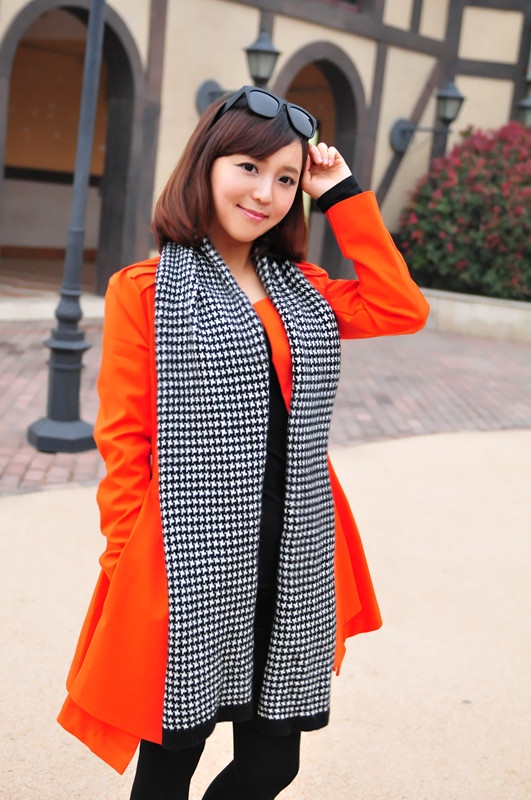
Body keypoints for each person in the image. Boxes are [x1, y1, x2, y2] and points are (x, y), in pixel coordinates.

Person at [58, 85, 429, 799]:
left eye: (286, 180)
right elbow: (124, 440)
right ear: (206, 165)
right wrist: (130, 561)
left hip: (292, 557)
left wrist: (340, 192)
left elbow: (400, 306)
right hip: (190, 565)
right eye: (249, 168)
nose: (266, 193)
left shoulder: (305, 289)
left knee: (272, 763)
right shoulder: (145, 290)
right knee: (170, 765)